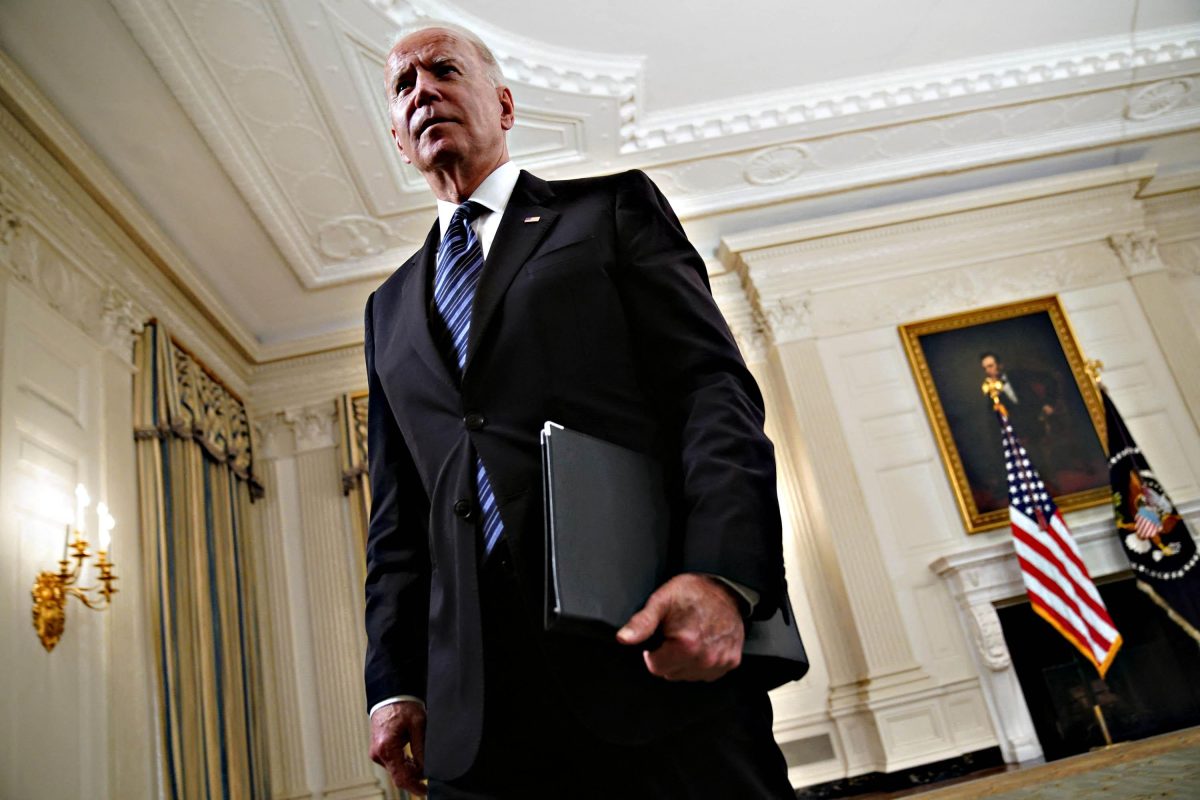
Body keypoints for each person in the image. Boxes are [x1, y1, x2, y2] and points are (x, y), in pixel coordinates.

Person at [363, 21, 798, 798]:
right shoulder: (386, 311)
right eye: (403, 85)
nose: (423, 90)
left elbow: (711, 392)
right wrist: (394, 683)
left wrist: (724, 574)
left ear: (503, 105)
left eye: (444, 71)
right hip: (481, 718)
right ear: (399, 139)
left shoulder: (610, 209)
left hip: (648, 654)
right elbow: (397, 519)